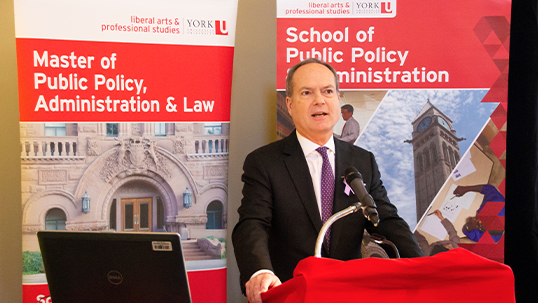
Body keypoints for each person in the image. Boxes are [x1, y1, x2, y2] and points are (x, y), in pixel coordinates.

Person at [232, 58, 423, 303]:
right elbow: (252, 224)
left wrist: (421, 265)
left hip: (349, 294)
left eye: (327, 91)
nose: (319, 100)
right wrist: (260, 271)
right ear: (289, 105)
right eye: (307, 92)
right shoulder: (265, 162)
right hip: (292, 294)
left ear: (338, 99)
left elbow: (385, 219)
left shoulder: (363, 161)